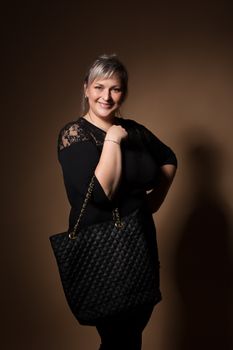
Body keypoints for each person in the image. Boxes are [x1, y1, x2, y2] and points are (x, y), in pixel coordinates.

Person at [57, 54, 177, 350]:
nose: (106, 96)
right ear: (86, 88)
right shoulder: (74, 135)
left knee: (132, 336)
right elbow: (101, 194)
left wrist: (156, 200)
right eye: (99, 87)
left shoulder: (134, 130)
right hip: (102, 250)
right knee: (118, 338)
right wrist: (111, 139)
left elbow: (168, 158)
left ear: (124, 93)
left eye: (115, 89)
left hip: (141, 244)